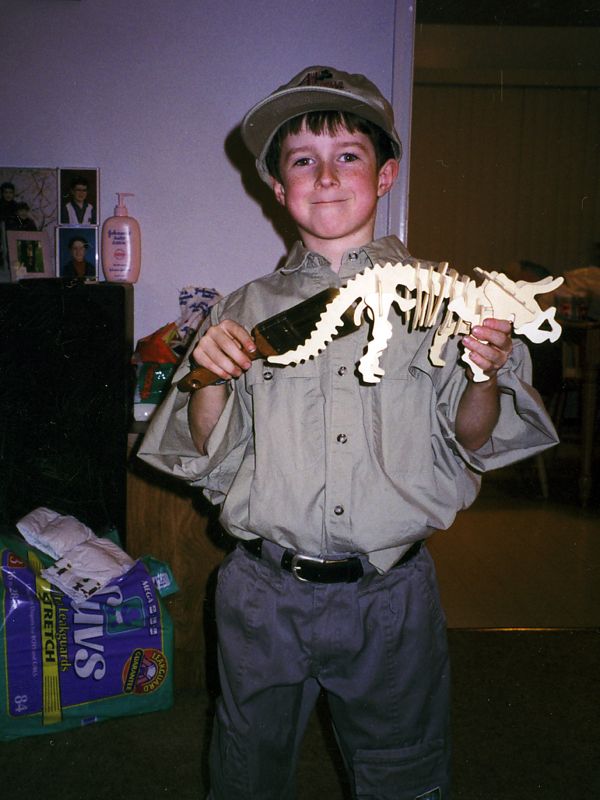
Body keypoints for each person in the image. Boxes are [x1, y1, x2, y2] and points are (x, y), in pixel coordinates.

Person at [139, 66, 558, 799]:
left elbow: (472, 437)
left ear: (385, 174)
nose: (326, 176)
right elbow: (207, 450)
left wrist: (484, 372)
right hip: (262, 596)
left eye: (349, 155)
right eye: (303, 159)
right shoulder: (240, 311)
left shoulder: (449, 302)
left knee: (403, 773)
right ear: (278, 187)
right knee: (245, 771)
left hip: (390, 599)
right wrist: (210, 375)